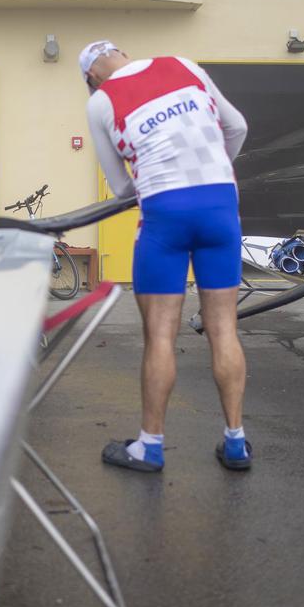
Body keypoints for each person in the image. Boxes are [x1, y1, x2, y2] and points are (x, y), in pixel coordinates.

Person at [80, 40, 251, 472]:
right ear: (123, 54)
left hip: (165, 213)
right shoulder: (182, 63)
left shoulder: (101, 100)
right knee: (224, 328)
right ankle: (236, 443)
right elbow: (238, 128)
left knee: (159, 336)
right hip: (219, 205)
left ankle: (149, 446)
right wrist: (210, 170)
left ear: (92, 76)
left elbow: (121, 187)